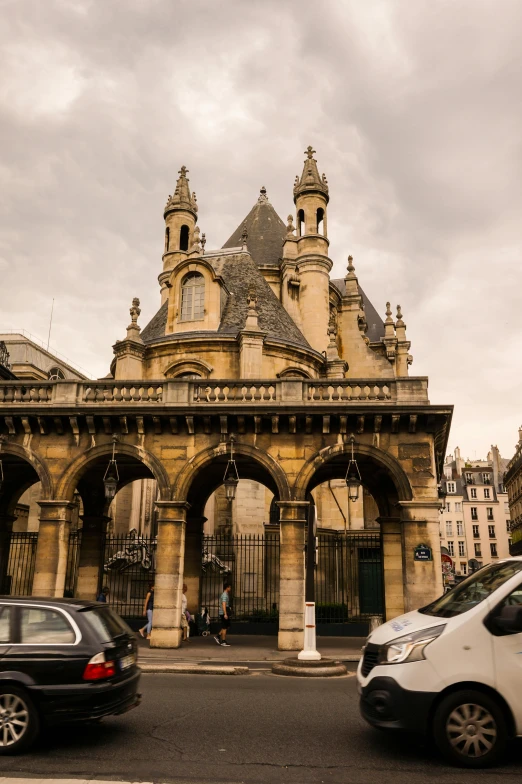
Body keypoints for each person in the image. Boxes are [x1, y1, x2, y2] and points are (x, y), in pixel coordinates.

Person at [214, 582, 232, 646]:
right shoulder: (224, 595)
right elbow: (223, 604)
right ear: (227, 588)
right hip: (224, 612)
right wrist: (225, 614)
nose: (230, 588)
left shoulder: (225, 594)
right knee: (224, 627)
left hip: (224, 612)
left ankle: (218, 636)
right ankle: (223, 641)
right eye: (229, 587)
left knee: (226, 626)